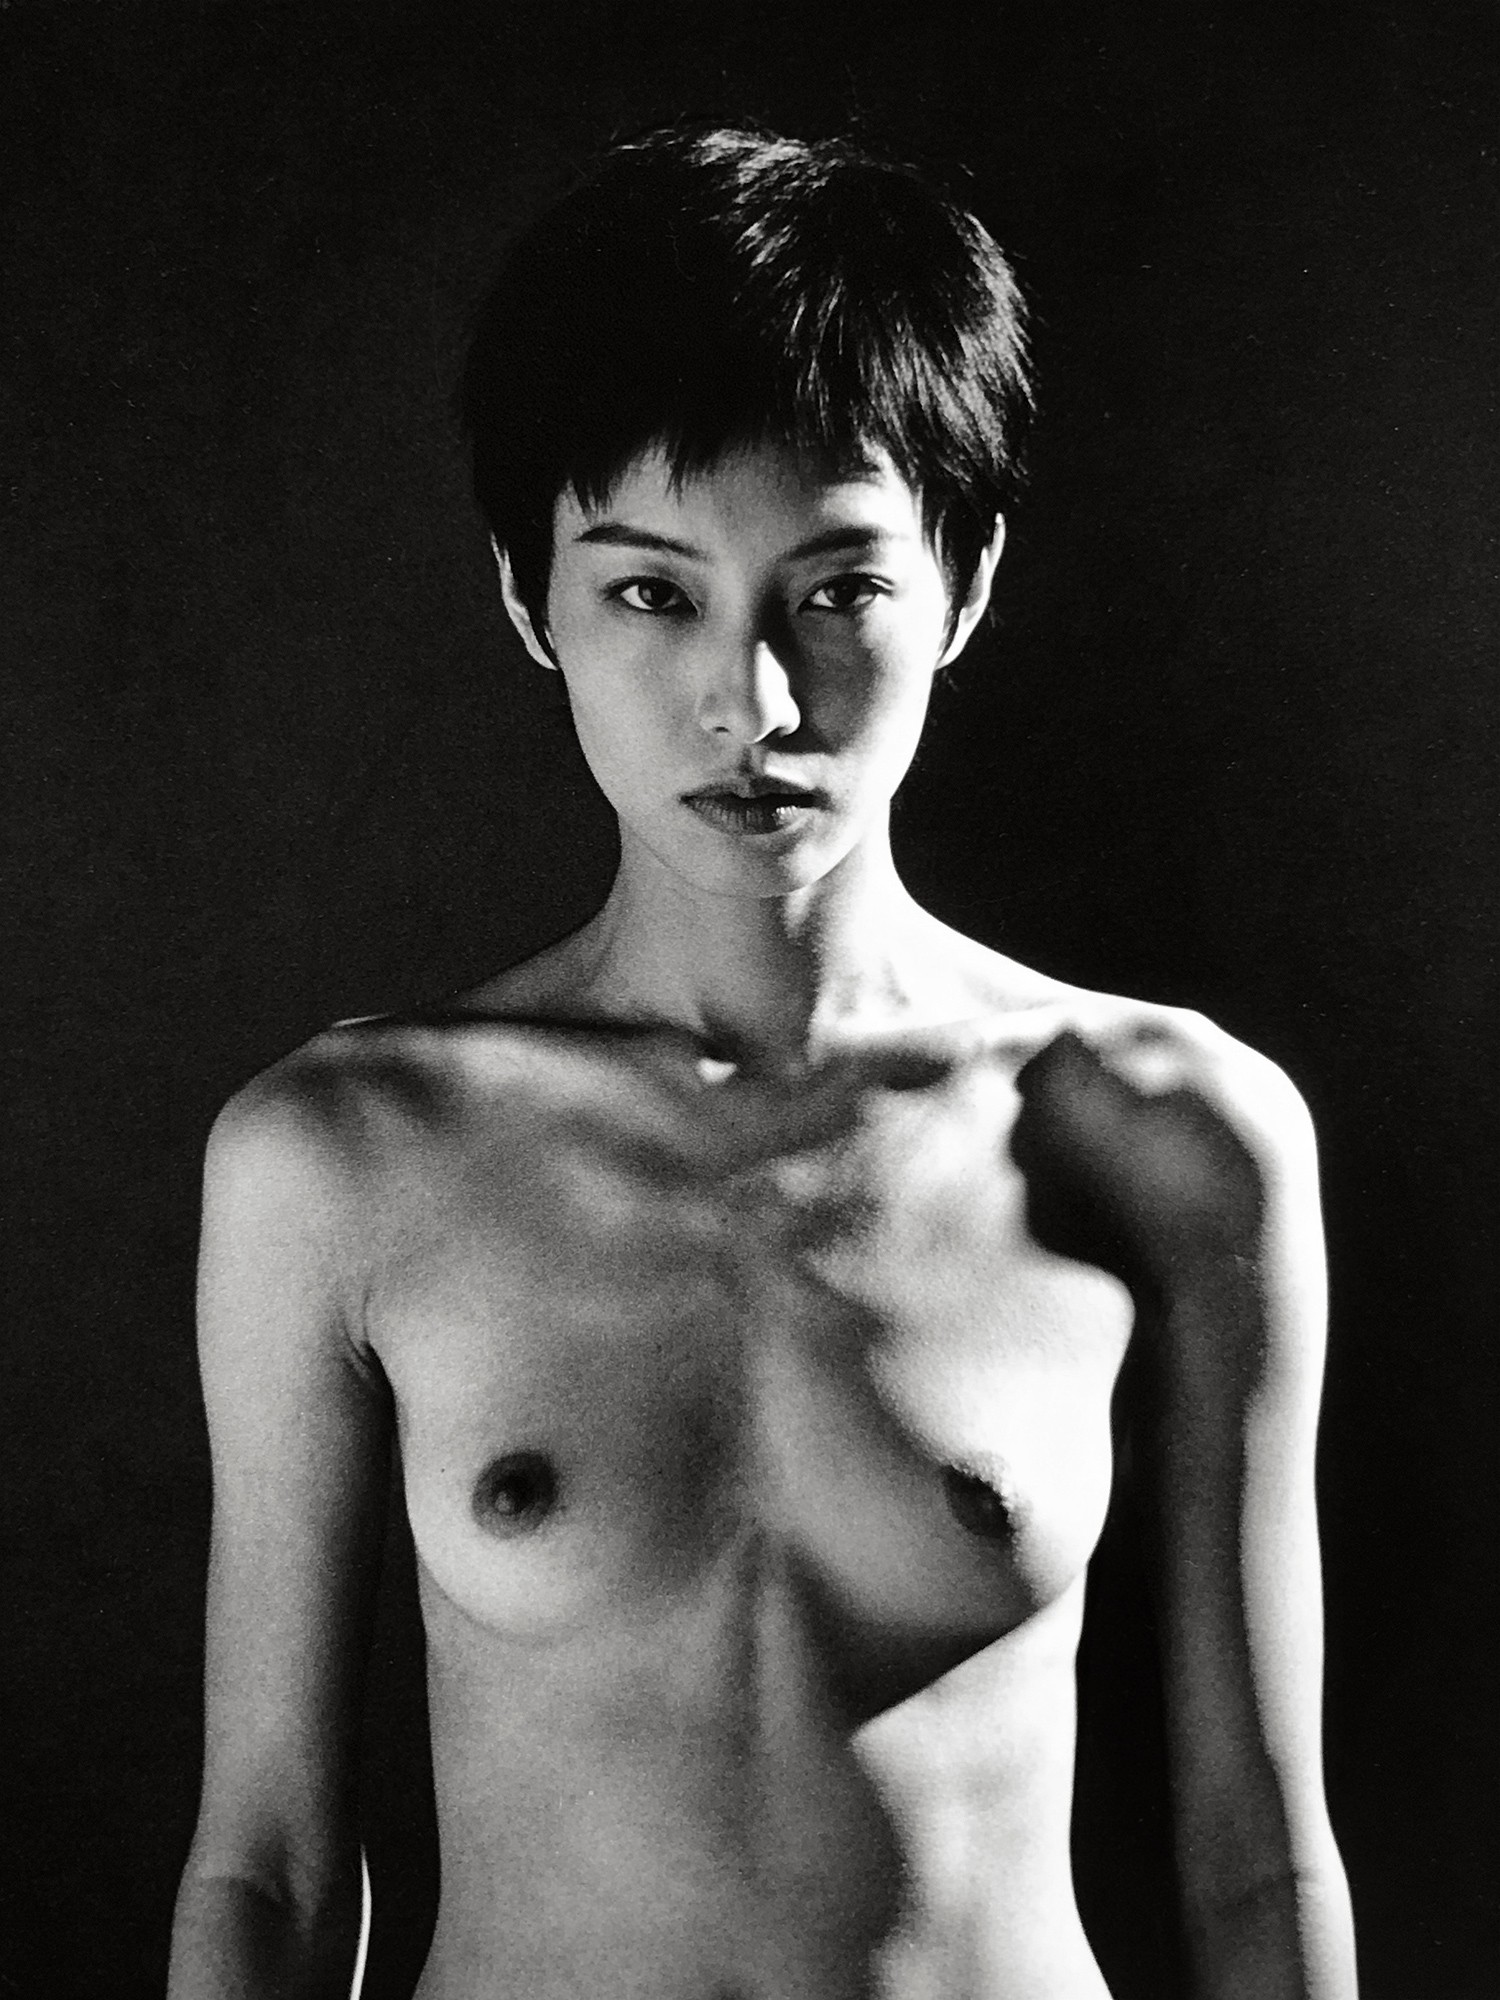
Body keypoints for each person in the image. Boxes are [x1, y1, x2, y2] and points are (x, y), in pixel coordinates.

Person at [167, 126, 1357, 2000]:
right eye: (654, 593)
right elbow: (271, 1865)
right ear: (530, 601)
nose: (757, 700)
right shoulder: (345, 1157)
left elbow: (1260, 1864)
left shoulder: (1165, 1132)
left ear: (963, 586)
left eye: (837, 588)